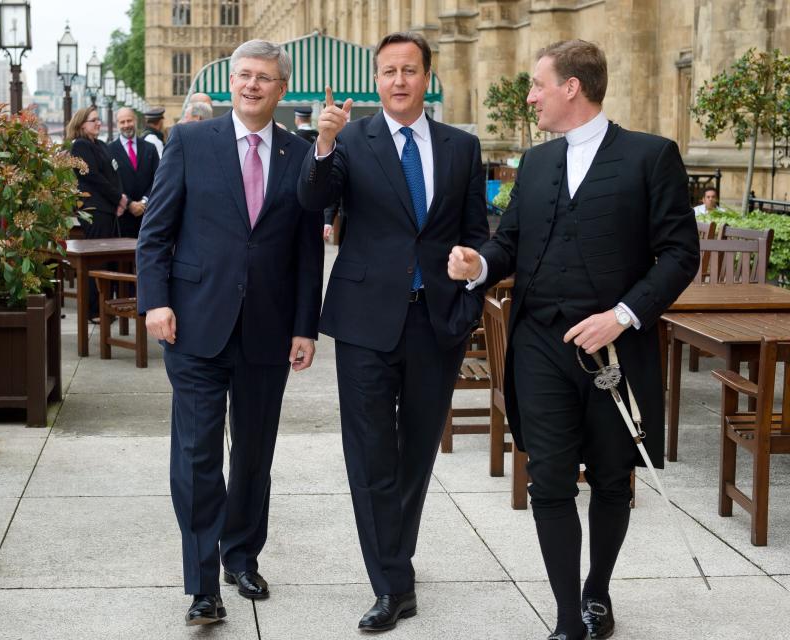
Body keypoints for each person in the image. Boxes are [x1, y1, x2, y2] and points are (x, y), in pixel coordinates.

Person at [447, 40, 699, 640]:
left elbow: (679, 253)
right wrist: (477, 265)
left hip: (615, 349)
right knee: (549, 479)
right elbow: (508, 242)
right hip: (538, 347)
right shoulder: (535, 164)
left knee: (613, 480)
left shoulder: (650, 156)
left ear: (571, 87)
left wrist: (624, 314)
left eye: (537, 85)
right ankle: (566, 617)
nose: (529, 96)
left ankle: (597, 593)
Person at [297, 31, 488, 632]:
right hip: (363, 322)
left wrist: (471, 267)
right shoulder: (350, 139)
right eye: (388, 71)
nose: (399, 80)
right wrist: (323, 141)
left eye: (410, 70)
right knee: (371, 454)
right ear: (375, 80)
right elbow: (312, 201)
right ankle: (392, 584)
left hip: (436, 320)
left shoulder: (462, 146)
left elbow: (479, 231)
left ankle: (391, 557)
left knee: (414, 454)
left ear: (427, 77)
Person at [136, 39, 323, 626]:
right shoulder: (191, 141)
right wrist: (155, 302)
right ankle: (201, 583)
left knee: (254, 455)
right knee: (195, 454)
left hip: (269, 331)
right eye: (243, 76)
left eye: (263, 78)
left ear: (280, 88)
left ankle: (242, 556)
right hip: (194, 324)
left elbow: (306, 251)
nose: (251, 85)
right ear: (230, 83)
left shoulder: (298, 154)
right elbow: (157, 232)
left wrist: (305, 327)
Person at [67, 105, 126, 322]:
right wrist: (117, 198)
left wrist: (121, 197)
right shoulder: (80, 146)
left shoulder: (100, 144)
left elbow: (113, 173)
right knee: (97, 261)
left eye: (99, 119)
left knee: (109, 260)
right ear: (82, 124)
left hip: (109, 208)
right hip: (94, 209)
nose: (98, 123)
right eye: (94, 120)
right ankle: (94, 310)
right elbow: (93, 177)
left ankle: (107, 307)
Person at [107, 106, 160, 239]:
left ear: (135, 120)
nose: (126, 125)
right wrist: (130, 204)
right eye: (122, 122)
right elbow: (110, 183)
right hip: (123, 218)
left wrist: (144, 201)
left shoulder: (150, 148)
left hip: (148, 215)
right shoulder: (109, 151)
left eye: (129, 121)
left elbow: (158, 178)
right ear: (117, 124)